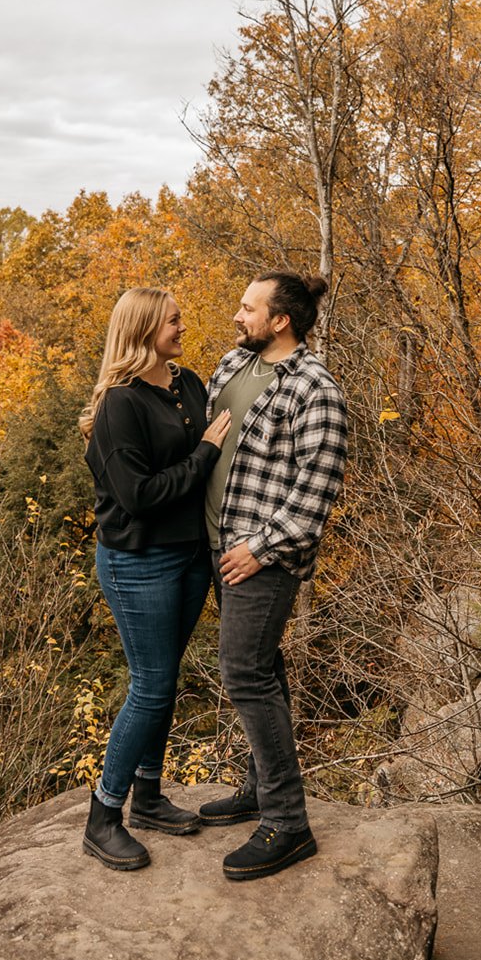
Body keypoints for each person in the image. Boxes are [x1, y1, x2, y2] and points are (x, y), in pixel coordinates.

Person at [198, 272, 348, 880]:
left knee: (243, 672)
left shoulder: (316, 389)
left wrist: (259, 548)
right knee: (265, 666)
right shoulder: (233, 365)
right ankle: (260, 787)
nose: (237, 317)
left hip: (261, 557)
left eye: (247, 308)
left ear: (280, 319)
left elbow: (318, 489)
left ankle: (288, 822)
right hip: (215, 546)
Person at [79, 287, 231, 871]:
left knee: (164, 680)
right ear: (144, 328)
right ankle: (103, 815)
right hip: (138, 560)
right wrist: (203, 456)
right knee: (150, 684)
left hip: (190, 556)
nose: (183, 325)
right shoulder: (121, 404)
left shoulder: (188, 384)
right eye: (173, 319)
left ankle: (148, 796)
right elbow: (138, 497)